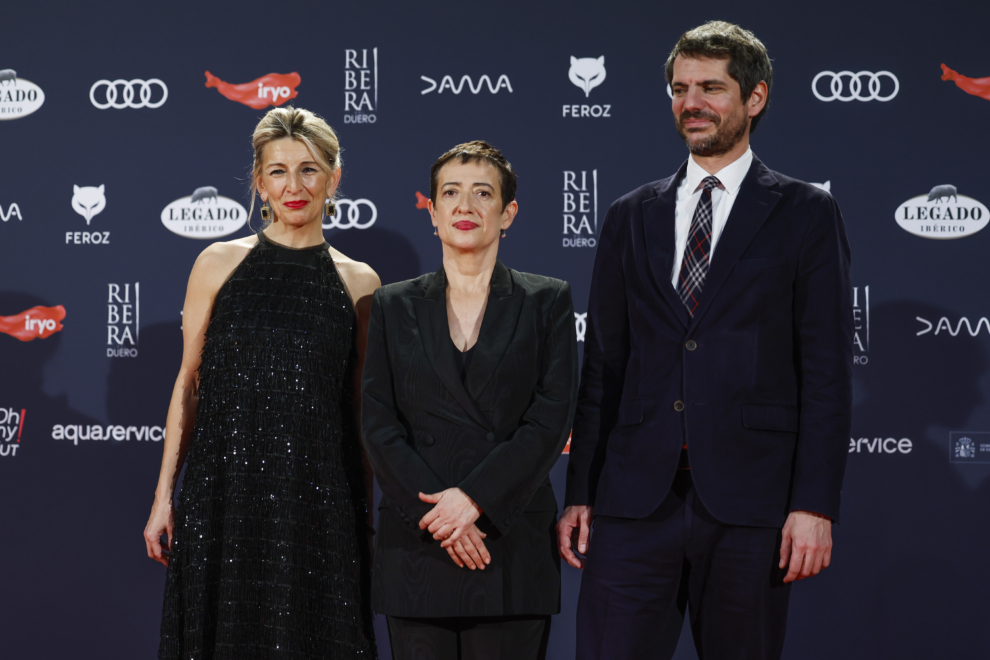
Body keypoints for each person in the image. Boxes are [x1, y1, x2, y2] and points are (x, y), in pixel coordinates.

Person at [558, 21, 853, 660]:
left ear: (756, 98)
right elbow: (604, 363)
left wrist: (814, 504)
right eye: (680, 88)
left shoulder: (805, 211)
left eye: (711, 88)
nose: (691, 102)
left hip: (752, 504)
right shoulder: (628, 214)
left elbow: (827, 369)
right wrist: (581, 489)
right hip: (635, 501)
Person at [143, 107, 380, 659]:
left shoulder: (360, 282)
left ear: (334, 177)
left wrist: (364, 519)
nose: (293, 186)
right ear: (258, 182)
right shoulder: (217, 263)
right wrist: (163, 499)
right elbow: (189, 385)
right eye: (278, 171)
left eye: (309, 169)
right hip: (223, 496)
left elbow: (361, 410)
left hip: (319, 502)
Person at [361, 141, 578, 660]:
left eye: (483, 194)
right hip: (419, 543)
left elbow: (549, 421)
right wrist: (441, 514)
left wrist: (474, 500)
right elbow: (378, 423)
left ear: (508, 214)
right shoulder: (392, 305)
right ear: (431, 212)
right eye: (451, 194)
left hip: (506, 540)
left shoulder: (546, 300)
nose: (465, 207)